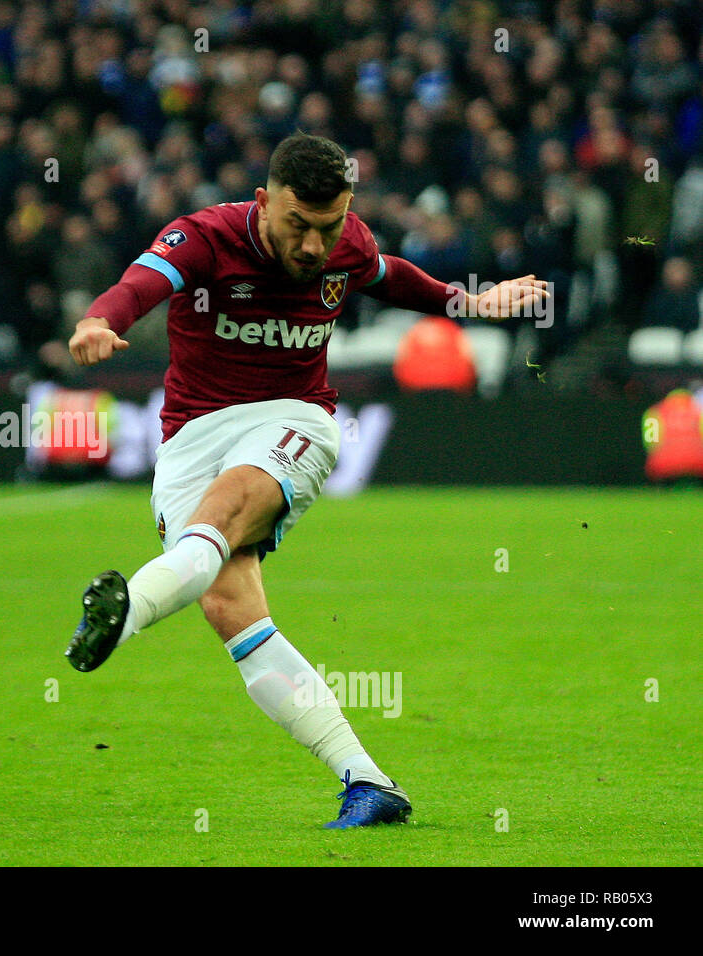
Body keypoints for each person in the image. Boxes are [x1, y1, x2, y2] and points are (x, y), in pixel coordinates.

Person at [64, 133, 549, 828]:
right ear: (264, 202)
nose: (318, 247)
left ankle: (123, 614)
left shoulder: (345, 241)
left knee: (226, 510)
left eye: (330, 227)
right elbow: (141, 284)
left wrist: (467, 302)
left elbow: (390, 276)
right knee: (229, 608)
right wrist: (98, 321)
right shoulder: (204, 236)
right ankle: (368, 781)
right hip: (191, 435)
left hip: (294, 420)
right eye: (299, 225)